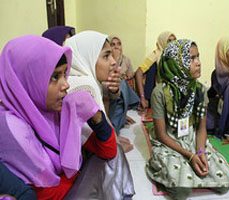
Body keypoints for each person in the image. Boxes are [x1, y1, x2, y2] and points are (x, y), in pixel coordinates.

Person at [0, 35, 131, 200]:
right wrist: (81, 171)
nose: (66, 85)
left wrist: (96, 116)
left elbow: (109, 150)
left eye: (64, 74)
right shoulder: (10, 127)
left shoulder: (54, 110)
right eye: (55, 77)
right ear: (28, 79)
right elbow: (47, 194)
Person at [146, 39, 229, 200]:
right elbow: (161, 135)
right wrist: (189, 156)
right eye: (191, 59)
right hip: (170, 139)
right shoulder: (159, 93)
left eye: (198, 57)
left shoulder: (200, 90)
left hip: (192, 137)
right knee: (181, 191)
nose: (198, 63)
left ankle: (192, 163)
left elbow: (201, 128)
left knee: (225, 183)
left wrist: (200, 152)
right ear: (176, 63)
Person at [63, 30, 135, 198]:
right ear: (87, 57)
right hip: (74, 178)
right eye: (106, 56)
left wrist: (113, 90)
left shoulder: (77, 78)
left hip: (77, 164)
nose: (113, 62)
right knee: (116, 155)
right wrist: (115, 142)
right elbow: (105, 144)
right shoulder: (85, 86)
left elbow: (101, 120)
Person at [135, 31, 176, 109]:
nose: (172, 43)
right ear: (162, 42)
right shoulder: (156, 55)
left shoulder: (176, 56)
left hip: (173, 92)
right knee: (153, 66)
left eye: (174, 40)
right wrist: (142, 97)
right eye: (169, 41)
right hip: (159, 92)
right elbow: (138, 72)